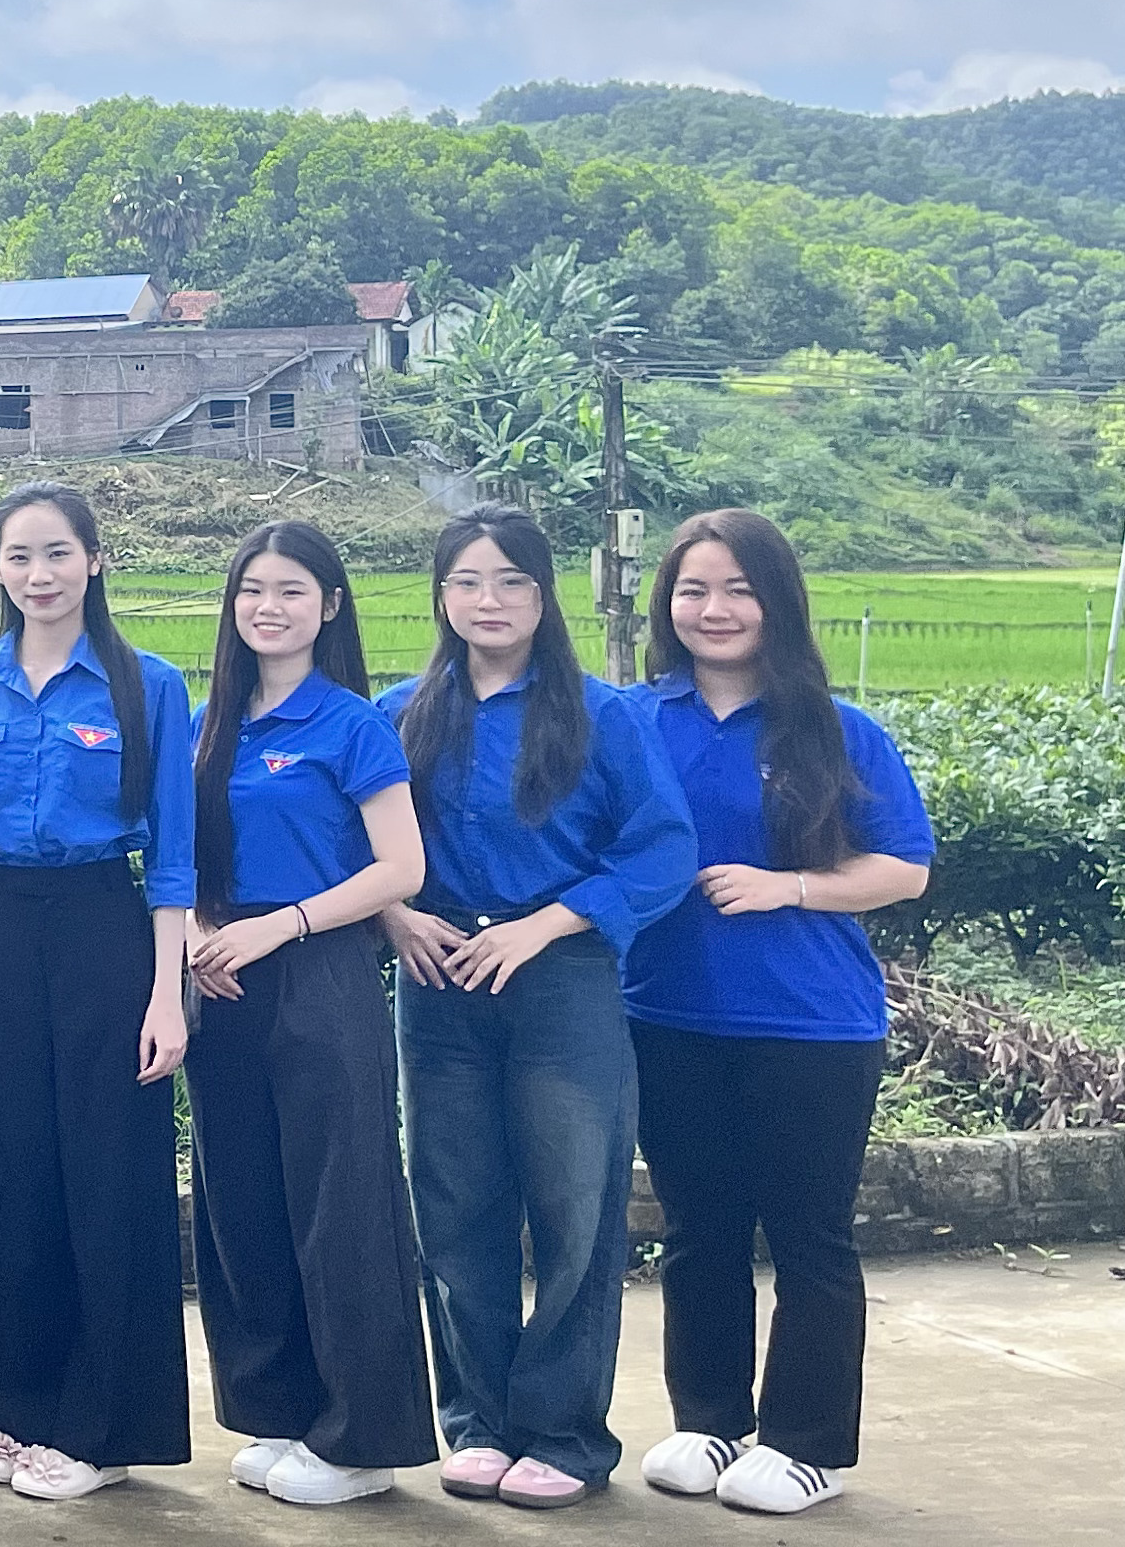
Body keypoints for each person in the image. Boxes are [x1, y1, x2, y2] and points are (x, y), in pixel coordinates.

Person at [377, 505, 695, 1510]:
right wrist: (393, 915)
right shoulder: (401, 713)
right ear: (441, 596)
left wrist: (544, 926)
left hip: (561, 975)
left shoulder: (602, 715)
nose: (489, 600)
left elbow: (662, 849)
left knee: (574, 1203)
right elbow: (345, 842)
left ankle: (563, 1433)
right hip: (438, 976)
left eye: (511, 580)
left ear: (544, 594)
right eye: (467, 580)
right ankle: (477, 1422)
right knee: (452, 1202)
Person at [625, 510, 933, 1518]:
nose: (713, 609)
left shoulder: (836, 730)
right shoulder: (630, 720)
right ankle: (710, 1419)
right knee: (697, 1229)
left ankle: (808, 1444)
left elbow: (904, 867)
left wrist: (787, 887)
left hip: (810, 1024)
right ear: (666, 604)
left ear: (777, 603)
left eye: (738, 589)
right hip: (665, 1015)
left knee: (809, 1237)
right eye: (692, 589)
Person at [0, 479, 195, 1503]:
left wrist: (166, 995)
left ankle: (103, 1429)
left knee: (108, 1173)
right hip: (0, 935)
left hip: (102, 932)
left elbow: (171, 856)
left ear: (94, 560)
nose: (37, 574)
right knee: (13, 1177)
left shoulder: (146, 685)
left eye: (56, 553)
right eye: (18, 556)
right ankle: (21, 1408)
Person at [181, 521, 435, 1507]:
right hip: (223, 977)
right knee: (243, 1202)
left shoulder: (351, 724)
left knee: (342, 1206)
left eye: (291, 590)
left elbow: (399, 868)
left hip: (318, 969)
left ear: (329, 606)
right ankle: (283, 1411)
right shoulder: (210, 723)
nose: (268, 607)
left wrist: (279, 926)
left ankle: (363, 1440)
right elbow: (180, 855)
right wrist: (201, 933)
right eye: (252, 589)